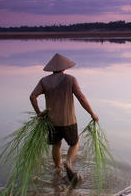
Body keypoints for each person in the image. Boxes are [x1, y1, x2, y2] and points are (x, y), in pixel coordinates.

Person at [29, 53, 99, 183]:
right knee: (74, 143)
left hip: (52, 122)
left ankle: (58, 168)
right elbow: (81, 98)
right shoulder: (70, 79)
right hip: (69, 121)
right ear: (64, 68)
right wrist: (92, 114)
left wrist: (39, 114)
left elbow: (32, 97)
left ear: (52, 68)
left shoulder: (44, 81)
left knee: (56, 145)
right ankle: (68, 162)